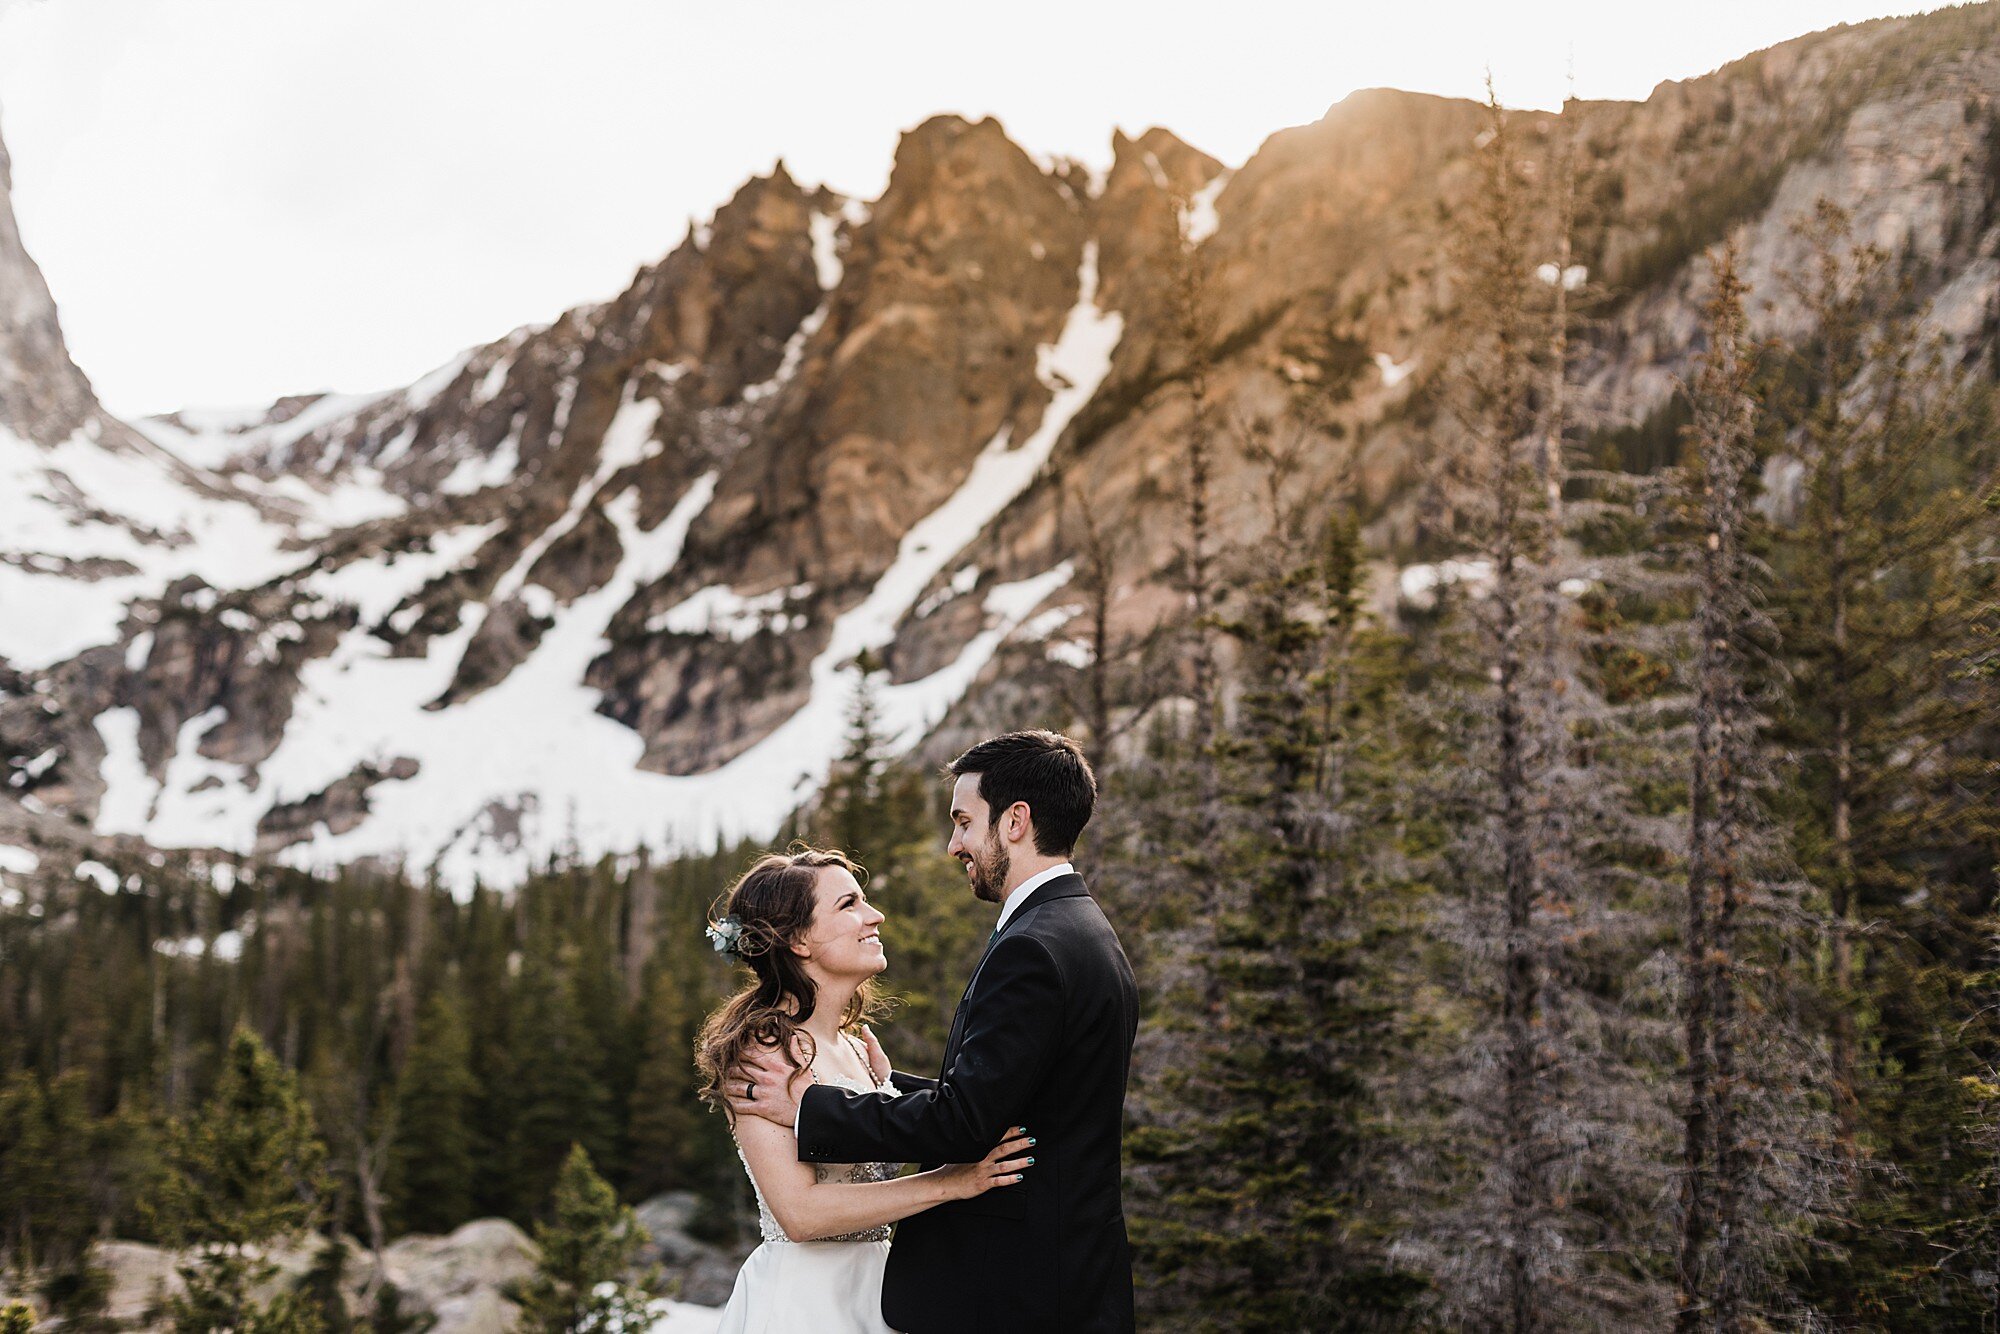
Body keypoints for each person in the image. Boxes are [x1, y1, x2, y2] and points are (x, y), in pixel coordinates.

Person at [728, 730, 1140, 1334]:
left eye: (964, 821)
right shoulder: (1080, 929)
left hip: (1024, 1288)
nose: (955, 844)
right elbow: (1006, 1097)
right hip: (822, 1302)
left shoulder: (1032, 946)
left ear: (1015, 822)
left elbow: (965, 1120)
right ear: (797, 940)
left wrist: (810, 1108)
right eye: (850, 906)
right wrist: (894, 1089)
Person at [695, 846, 1034, 1334]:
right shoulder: (765, 1052)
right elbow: (800, 1214)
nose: (874, 915)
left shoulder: (856, 1049)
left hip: (880, 1293)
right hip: (807, 1304)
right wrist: (951, 1183)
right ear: (798, 940)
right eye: (848, 904)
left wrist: (889, 1086)